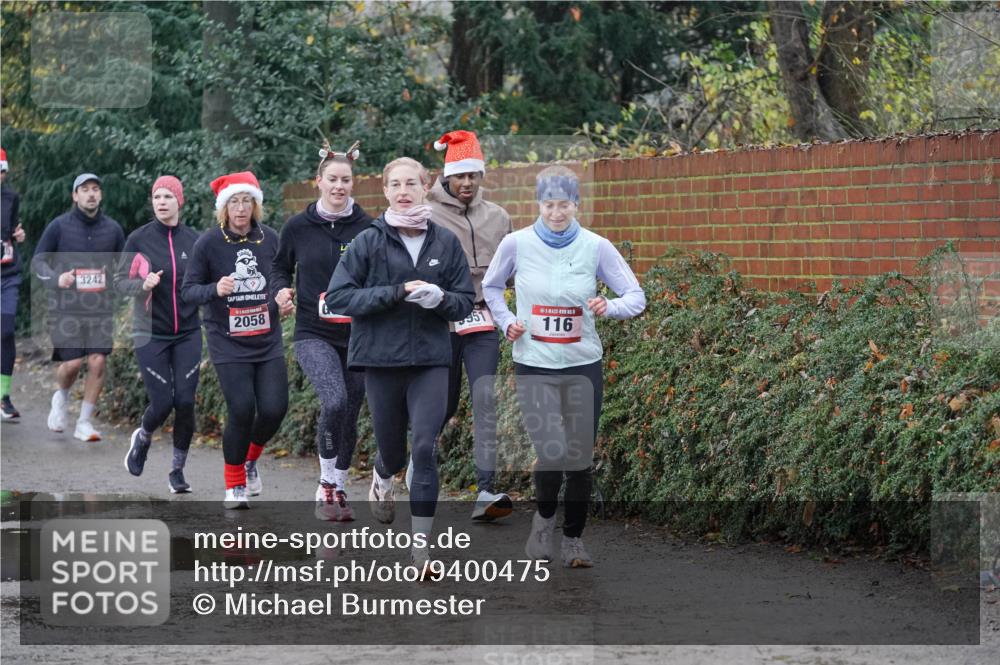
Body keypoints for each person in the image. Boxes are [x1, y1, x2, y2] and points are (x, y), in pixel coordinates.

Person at [482, 165, 646, 568]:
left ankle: (573, 540)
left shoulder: (596, 247)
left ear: (577, 204)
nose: (557, 213)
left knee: (579, 458)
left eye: (565, 204)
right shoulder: (516, 244)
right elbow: (490, 286)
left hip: (582, 364)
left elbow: (636, 297)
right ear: (538, 203)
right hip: (534, 363)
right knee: (551, 452)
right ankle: (543, 521)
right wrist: (507, 321)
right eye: (549, 204)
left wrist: (610, 306)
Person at [326, 157, 474, 573]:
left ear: (426, 187)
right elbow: (339, 298)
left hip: (431, 359)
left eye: (412, 183)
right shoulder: (367, 242)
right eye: (396, 184)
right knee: (393, 452)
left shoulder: (444, 243)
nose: (404, 190)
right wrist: (395, 292)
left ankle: (422, 549)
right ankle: (383, 474)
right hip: (381, 359)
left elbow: (464, 300)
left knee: (424, 448)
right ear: (386, 192)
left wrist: (440, 299)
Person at [271, 141, 373, 521]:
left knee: (350, 411)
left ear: (353, 183)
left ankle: (341, 487)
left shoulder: (368, 227)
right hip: (313, 332)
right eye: (332, 179)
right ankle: (326, 483)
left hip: (359, 335)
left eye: (345, 180)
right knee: (334, 400)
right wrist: (279, 289)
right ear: (318, 181)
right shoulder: (297, 227)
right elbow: (280, 267)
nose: (338, 186)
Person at [181, 171, 290, 509]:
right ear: (224, 209)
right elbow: (188, 291)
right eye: (234, 202)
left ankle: (250, 460)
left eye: (246, 201)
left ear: (255, 205)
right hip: (227, 342)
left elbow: (279, 279)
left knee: (274, 409)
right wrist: (216, 288)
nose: (240, 209)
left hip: (267, 339)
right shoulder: (209, 243)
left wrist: (283, 296)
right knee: (242, 408)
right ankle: (234, 485)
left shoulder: (270, 239)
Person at [427, 130, 514, 521]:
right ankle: (418, 464)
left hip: (482, 318)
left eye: (473, 176)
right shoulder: (427, 214)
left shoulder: (498, 216)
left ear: (481, 176)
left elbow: (513, 271)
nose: (466, 183)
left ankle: (486, 490)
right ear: (446, 176)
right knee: (440, 406)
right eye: (459, 176)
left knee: (485, 399)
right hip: (440, 322)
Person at [114, 176, 201, 493]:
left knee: (186, 402)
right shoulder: (138, 239)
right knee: (163, 402)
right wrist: (143, 285)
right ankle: (144, 436)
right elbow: (120, 282)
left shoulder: (195, 240)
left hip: (188, 332)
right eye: (156, 197)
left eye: (167, 196)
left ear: (180, 200)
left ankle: (177, 471)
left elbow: (207, 283)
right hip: (150, 332)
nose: (161, 202)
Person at [33, 173, 125, 441]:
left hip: (100, 307)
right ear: (75, 196)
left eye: (96, 189)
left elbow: (124, 265)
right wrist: (56, 278)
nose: (91, 194)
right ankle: (60, 397)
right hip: (66, 307)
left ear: (101, 195)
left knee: (97, 361)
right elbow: (39, 261)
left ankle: (84, 421)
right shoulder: (59, 227)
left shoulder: (113, 229)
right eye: (85, 189)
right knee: (72, 364)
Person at [1, 148, 26, 421]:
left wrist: (18, 235)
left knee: (5, 331)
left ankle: (3, 396)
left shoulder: (11, 197)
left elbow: (13, 229)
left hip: (7, 274)